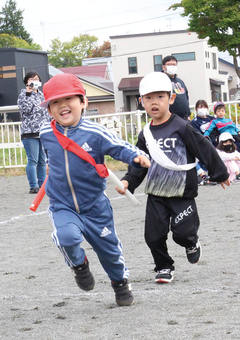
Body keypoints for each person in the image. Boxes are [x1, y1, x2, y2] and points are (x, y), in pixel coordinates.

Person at [39, 73, 150, 307]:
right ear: (49, 109)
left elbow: (119, 146)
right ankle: (79, 266)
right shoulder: (46, 134)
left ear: (83, 102)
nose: (62, 106)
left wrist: (136, 156)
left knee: (109, 250)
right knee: (66, 237)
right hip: (62, 205)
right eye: (55, 102)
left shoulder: (95, 132)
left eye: (68, 99)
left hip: (95, 206)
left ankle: (120, 283)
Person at [116, 72, 230, 284]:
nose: (154, 102)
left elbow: (203, 149)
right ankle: (164, 267)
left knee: (183, 232)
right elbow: (139, 163)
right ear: (142, 102)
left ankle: (191, 243)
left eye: (160, 97)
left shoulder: (182, 126)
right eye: (148, 98)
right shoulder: (145, 134)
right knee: (153, 236)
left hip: (182, 192)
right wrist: (128, 182)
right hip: (156, 193)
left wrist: (220, 173)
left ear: (171, 98)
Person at [17, 71, 49, 194]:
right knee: (33, 160)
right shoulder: (23, 95)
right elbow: (26, 109)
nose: (34, 81)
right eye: (31, 79)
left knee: (42, 160)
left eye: (36, 79)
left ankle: (42, 184)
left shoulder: (42, 95)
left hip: (43, 131)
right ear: (27, 82)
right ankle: (33, 185)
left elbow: (46, 112)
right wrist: (29, 94)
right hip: (29, 132)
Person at [162, 55, 190, 120]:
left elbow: (186, 97)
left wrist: (188, 114)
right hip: (170, 118)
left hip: (184, 118)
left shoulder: (180, 81)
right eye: (169, 65)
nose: (172, 67)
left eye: (174, 65)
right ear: (163, 67)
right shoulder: (161, 81)